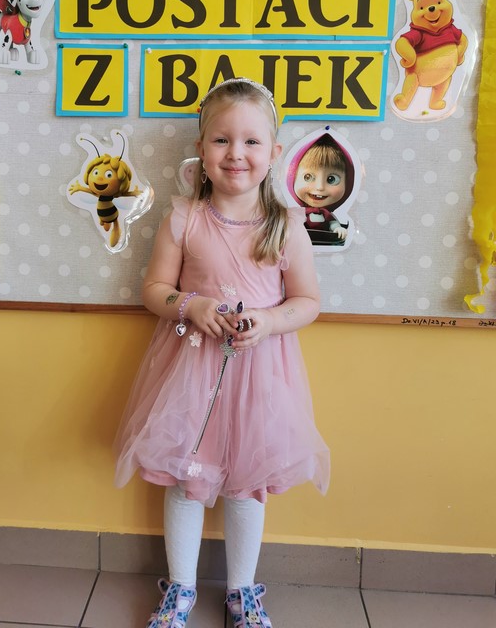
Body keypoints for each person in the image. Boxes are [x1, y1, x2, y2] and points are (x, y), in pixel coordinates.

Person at [114, 78, 330, 628]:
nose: (236, 153)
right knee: (188, 480)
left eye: (252, 141)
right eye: (222, 140)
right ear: (202, 148)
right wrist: (192, 305)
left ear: (274, 152)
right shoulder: (184, 218)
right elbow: (153, 290)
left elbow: (308, 302)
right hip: (191, 373)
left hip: (260, 375)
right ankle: (180, 588)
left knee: (246, 484)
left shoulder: (286, 227)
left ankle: (241, 591)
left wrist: (269, 320)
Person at [293, 134, 349, 245]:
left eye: (331, 179)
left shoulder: (325, 213)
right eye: (308, 177)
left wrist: (337, 229)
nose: (320, 187)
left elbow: (333, 224)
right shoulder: (299, 212)